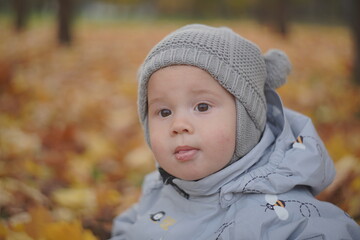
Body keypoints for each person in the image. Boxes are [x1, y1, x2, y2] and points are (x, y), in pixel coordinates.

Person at [110, 24, 360, 239]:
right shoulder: (157, 189)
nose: (178, 125)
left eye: (202, 106)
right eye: (164, 112)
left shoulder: (285, 216)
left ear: (247, 117)